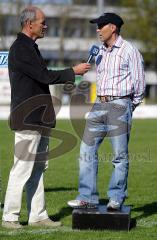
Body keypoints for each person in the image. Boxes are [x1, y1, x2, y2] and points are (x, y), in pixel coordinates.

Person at [2, 6, 90, 229]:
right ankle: (10, 217)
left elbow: (42, 77)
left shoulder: (31, 47)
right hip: (28, 118)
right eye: (42, 22)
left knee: (39, 168)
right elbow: (44, 76)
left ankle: (37, 215)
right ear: (29, 24)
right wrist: (73, 71)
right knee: (22, 168)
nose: (45, 25)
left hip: (39, 118)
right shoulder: (21, 48)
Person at [68, 12, 145, 210]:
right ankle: (87, 197)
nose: (97, 29)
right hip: (98, 105)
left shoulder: (130, 50)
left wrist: (127, 106)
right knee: (86, 151)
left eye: (101, 25)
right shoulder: (99, 51)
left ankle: (116, 197)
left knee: (119, 155)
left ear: (113, 27)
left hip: (120, 105)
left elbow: (140, 85)